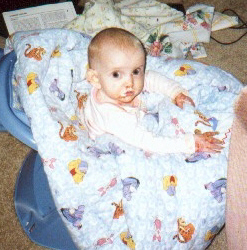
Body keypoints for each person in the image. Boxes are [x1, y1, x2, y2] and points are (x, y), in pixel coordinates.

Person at [83, 27, 223, 155]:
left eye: (136, 71)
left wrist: (175, 92)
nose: (130, 83)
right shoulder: (113, 117)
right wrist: (190, 143)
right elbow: (148, 141)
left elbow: (150, 78)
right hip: (119, 140)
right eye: (116, 74)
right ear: (95, 79)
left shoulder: (115, 87)